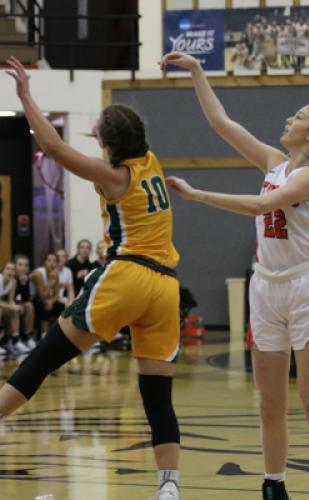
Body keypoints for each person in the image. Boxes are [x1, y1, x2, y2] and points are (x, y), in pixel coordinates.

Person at [160, 50, 309, 500]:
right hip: (265, 285)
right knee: (269, 402)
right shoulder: (274, 162)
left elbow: (265, 205)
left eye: (298, 116)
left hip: (308, 286)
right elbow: (222, 124)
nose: (288, 119)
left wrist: (196, 194)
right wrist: (197, 72)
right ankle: (274, 485)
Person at [2, 56, 182, 500]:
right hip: (165, 288)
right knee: (157, 396)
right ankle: (169, 487)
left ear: (108, 143)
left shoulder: (114, 176)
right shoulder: (150, 162)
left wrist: (26, 96)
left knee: (40, 362)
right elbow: (108, 140)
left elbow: (59, 152)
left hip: (128, 277)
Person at [30, 252, 66, 337]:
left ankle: (58, 334)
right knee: (43, 305)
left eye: (54, 261)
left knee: (60, 306)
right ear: (44, 262)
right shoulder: (38, 274)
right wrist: (50, 283)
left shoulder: (55, 273)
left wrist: (51, 301)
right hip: (33, 299)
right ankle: (44, 335)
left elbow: (57, 295)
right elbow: (42, 295)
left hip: (47, 299)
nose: (52, 263)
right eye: (49, 260)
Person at [0, 262, 30, 354]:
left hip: (3, 304)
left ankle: (15, 340)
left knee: (15, 310)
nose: (10, 271)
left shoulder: (13, 282)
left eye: (13, 269)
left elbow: (10, 300)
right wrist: (11, 306)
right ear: (3, 271)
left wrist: (16, 307)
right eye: (8, 269)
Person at [13, 254, 36, 350]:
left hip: (17, 304)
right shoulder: (10, 277)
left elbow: (26, 298)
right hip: (6, 304)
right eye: (20, 265)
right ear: (15, 266)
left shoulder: (27, 278)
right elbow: (9, 297)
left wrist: (23, 284)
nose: (23, 268)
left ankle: (27, 336)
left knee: (29, 305)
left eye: (26, 265)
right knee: (15, 308)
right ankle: (15, 339)